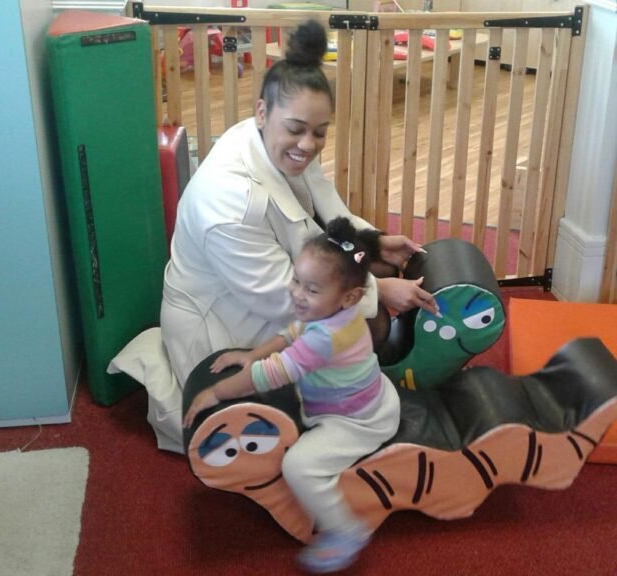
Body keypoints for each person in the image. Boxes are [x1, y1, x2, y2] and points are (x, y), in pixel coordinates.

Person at [151, 18, 438, 452]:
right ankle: (349, 394)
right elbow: (282, 296)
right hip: (226, 316)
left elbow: (326, 206)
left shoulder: (274, 137)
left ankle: (360, 370)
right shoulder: (228, 201)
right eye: (297, 129)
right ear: (262, 113)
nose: (308, 144)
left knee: (372, 265)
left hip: (279, 279)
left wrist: (374, 241)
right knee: (369, 316)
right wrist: (377, 291)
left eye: (319, 133)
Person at [183, 218, 401, 573]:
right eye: (296, 280)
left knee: (299, 467)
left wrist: (216, 393)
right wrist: (253, 354)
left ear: (349, 297)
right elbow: (292, 333)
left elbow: (269, 375)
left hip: (357, 422)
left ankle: (347, 531)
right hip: (364, 396)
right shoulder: (331, 312)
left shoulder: (326, 337)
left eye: (311, 289)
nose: (298, 293)